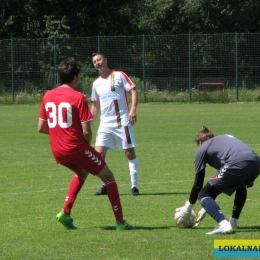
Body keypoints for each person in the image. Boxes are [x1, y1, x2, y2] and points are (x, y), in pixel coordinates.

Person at [38, 57, 134, 231]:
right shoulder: (78, 97)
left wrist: (61, 133)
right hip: (75, 147)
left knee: (83, 172)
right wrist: (86, 145)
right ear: (75, 76)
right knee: (108, 176)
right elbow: (87, 131)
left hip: (57, 150)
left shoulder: (47, 95)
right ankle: (120, 222)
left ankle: (65, 213)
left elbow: (42, 127)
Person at [175, 126, 260, 235]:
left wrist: (187, 209)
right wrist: (207, 206)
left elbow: (198, 184)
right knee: (241, 185)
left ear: (200, 143)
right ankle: (234, 221)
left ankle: (224, 224)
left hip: (236, 162)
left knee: (203, 194)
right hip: (256, 162)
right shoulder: (224, 138)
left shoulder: (202, 148)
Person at [90, 53, 139, 196]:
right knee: (98, 156)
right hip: (105, 124)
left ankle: (134, 187)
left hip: (122, 121)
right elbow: (95, 106)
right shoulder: (96, 84)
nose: (97, 63)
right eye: (94, 62)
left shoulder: (119, 75)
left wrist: (133, 109)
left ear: (105, 60)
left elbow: (133, 91)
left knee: (129, 153)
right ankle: (106, 185)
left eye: (99, 60)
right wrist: (87, 124)